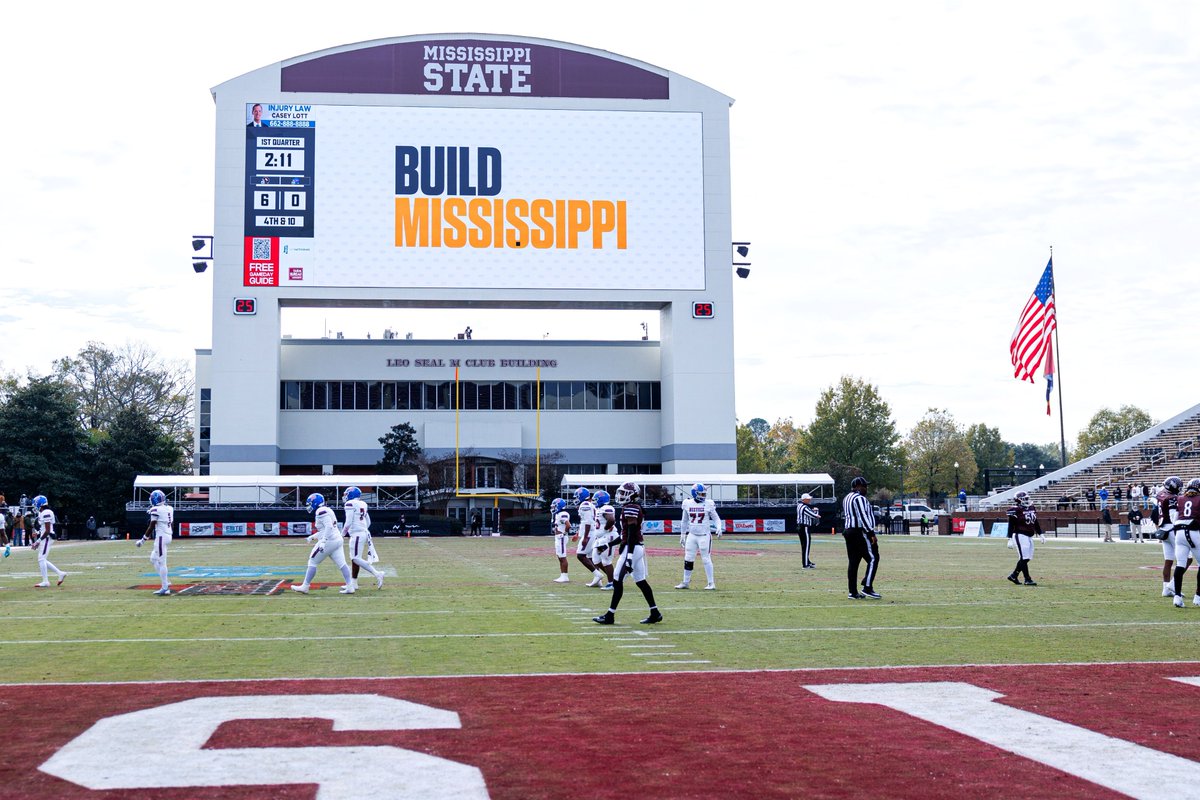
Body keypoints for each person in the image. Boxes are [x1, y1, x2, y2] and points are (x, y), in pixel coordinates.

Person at [593, 481, 662, 625]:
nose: (621, 495)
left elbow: (631, 535)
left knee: (617, 580)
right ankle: (655, 612)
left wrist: (629, 556)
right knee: (641, 581)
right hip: (636, 547)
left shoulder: (631, 507)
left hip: (633, 548)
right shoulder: (631, 506)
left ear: (633, 494)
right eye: (621, 492)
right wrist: (608, 544)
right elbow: (626, 535)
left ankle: (610, 615)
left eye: (624, 493)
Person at [291, 493, 355, 594]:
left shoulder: (320, 511)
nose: (308, 506)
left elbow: (329, 527)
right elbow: (326, 529)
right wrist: (313, 537)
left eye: (310, 503)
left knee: (312, 561)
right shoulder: (326, 509)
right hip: (337, 539)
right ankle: (350, 586)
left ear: (315, 502)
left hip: (330, 540)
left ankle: (305, 586)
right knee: (342, 564)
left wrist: (323, 541)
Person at [675, 482, 722, 590]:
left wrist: (719, 527)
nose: (703, 496)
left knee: (706, 559)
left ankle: (711, 583)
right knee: (688, 558)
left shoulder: (709, 504)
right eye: (701, 494)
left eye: (704, 494)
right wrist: (682, 534)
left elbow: (716, 518)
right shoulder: (687, 503)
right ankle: (685, 582)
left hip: (704, 535)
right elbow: (684, 520)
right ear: (694, 493)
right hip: (692, 535)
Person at [841, 476, 880, 599]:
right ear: (858, 486)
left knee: (853, 561)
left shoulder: (847, 498)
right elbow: (863, 516)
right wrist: (871, 533)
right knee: (873, 558)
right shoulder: (859, 498)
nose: (866, 488)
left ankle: (852, 592)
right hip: (859, 532)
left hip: (848, 531)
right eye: (864, 486)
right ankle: (867, 587)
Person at [343, 487, 384, 591]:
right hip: (363, 533)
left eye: (346, 494)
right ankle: (354, 583)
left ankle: (377, 574)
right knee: (355, 559)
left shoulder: (350, 504)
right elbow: (368, 521)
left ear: (351, 494)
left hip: (357, 534)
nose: (345, 496)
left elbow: (347, 523)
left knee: (356, 558)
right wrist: (362, 529)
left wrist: (341, 535)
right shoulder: (363, 504)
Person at [136, 489, 174, 595]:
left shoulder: (155, 509)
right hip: (167, 535)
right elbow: (171, 522)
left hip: (161, 537)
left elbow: (151, 526)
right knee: (153, 559)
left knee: (162, 562)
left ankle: (165, 587)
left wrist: (142, 540)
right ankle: (166, 582)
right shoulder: (169, 508)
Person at [1171, 478, 1200, 608]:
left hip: (1180, 534)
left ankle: (1177, 597)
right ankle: (1198, 597)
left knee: (1180, 564)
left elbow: (1175, 518)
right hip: (1194, 532)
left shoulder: (1180, 498)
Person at [1005, 490, 1043, 586]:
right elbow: (1011, 525)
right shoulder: (1015, 510)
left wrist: (1040, 533)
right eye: (1025, 498)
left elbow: (1035, 521)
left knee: (1027, 558)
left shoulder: (1031, 507)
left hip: (1029, 535)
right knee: (1024, 557)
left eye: (1027, 498)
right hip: (1020, 535)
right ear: (1019, 500)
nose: (1027, 500)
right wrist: (1009, 538)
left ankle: (1014, 575)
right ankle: (1027, 579)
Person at [1155, 477, 1184, 598]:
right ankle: (1172, 585)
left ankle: (1165, 589)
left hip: (1163, 529)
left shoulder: (1160, 494)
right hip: (1172, 529)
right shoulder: (1172, 498)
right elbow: (1173, 517)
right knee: (1187, 559)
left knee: (1168, 560)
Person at [30, 495, 66, 588]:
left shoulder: (47, 512)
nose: (34, 506)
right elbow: (43, 529)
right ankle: (60, 573)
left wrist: (37, 541)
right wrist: (38, 533)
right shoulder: (43, 512)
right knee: (42, 559)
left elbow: (47, 530)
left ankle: (45, 581)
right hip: (45, 537)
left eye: (35, 504)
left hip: (47, 537)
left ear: (39, 504)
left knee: (41, 559)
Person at [572, 487, 605, 587]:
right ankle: (598, 581)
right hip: (592, 532)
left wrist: (585, 537)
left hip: (590, 533)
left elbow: (588, 522)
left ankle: (597, 574)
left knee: (580, 555)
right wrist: (579, 533)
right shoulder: (589, 504)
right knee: (591, 558)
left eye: (577, 496)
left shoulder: (584, 505)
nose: (575, 498)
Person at [589, 490, 617, 589]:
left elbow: (611, 520)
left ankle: (611, 583)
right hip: (601, 538)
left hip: (608, 537)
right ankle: (614, 578)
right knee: (595, 559)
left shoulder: (606, 508)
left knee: (606, 561)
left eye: (596, 500)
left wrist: (605, 529)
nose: (594, 501)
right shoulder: (600, 509)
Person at [796, 493, 819, 569]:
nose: (809, 500)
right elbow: (813, 515)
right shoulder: (804, 507)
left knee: (804, 546)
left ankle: (807, 562)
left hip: (801, 527)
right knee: (806, 546)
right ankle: (805, 564)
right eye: (808, 499)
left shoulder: (800, 505)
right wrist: (816, 512)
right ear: (804, 499)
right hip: (805, 527)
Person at [551, 498, 571, 583]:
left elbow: (568, 525)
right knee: (560, 556)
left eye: (554, 506)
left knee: (562, 556)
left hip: (561, 537)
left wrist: (564, 533)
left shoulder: (563, 513)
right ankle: (562, 575)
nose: (553, 508)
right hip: (558, 537)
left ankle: (565, 576)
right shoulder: (558, 514)